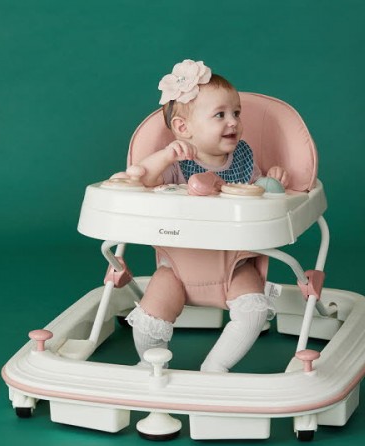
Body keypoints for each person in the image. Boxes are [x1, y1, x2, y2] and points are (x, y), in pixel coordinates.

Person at [112, 59, 288, 372]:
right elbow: (142, 181)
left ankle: (216, 367)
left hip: (234, 263)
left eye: (236, 113)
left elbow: (257, 196)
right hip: (178, 266)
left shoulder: (244, 159)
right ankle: (151, 364)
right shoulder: (176, 163)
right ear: (183, 128)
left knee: (254, 311)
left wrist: (271, 183)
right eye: (220, 115)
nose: (233, 122)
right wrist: (165, 156)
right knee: (150, 314)